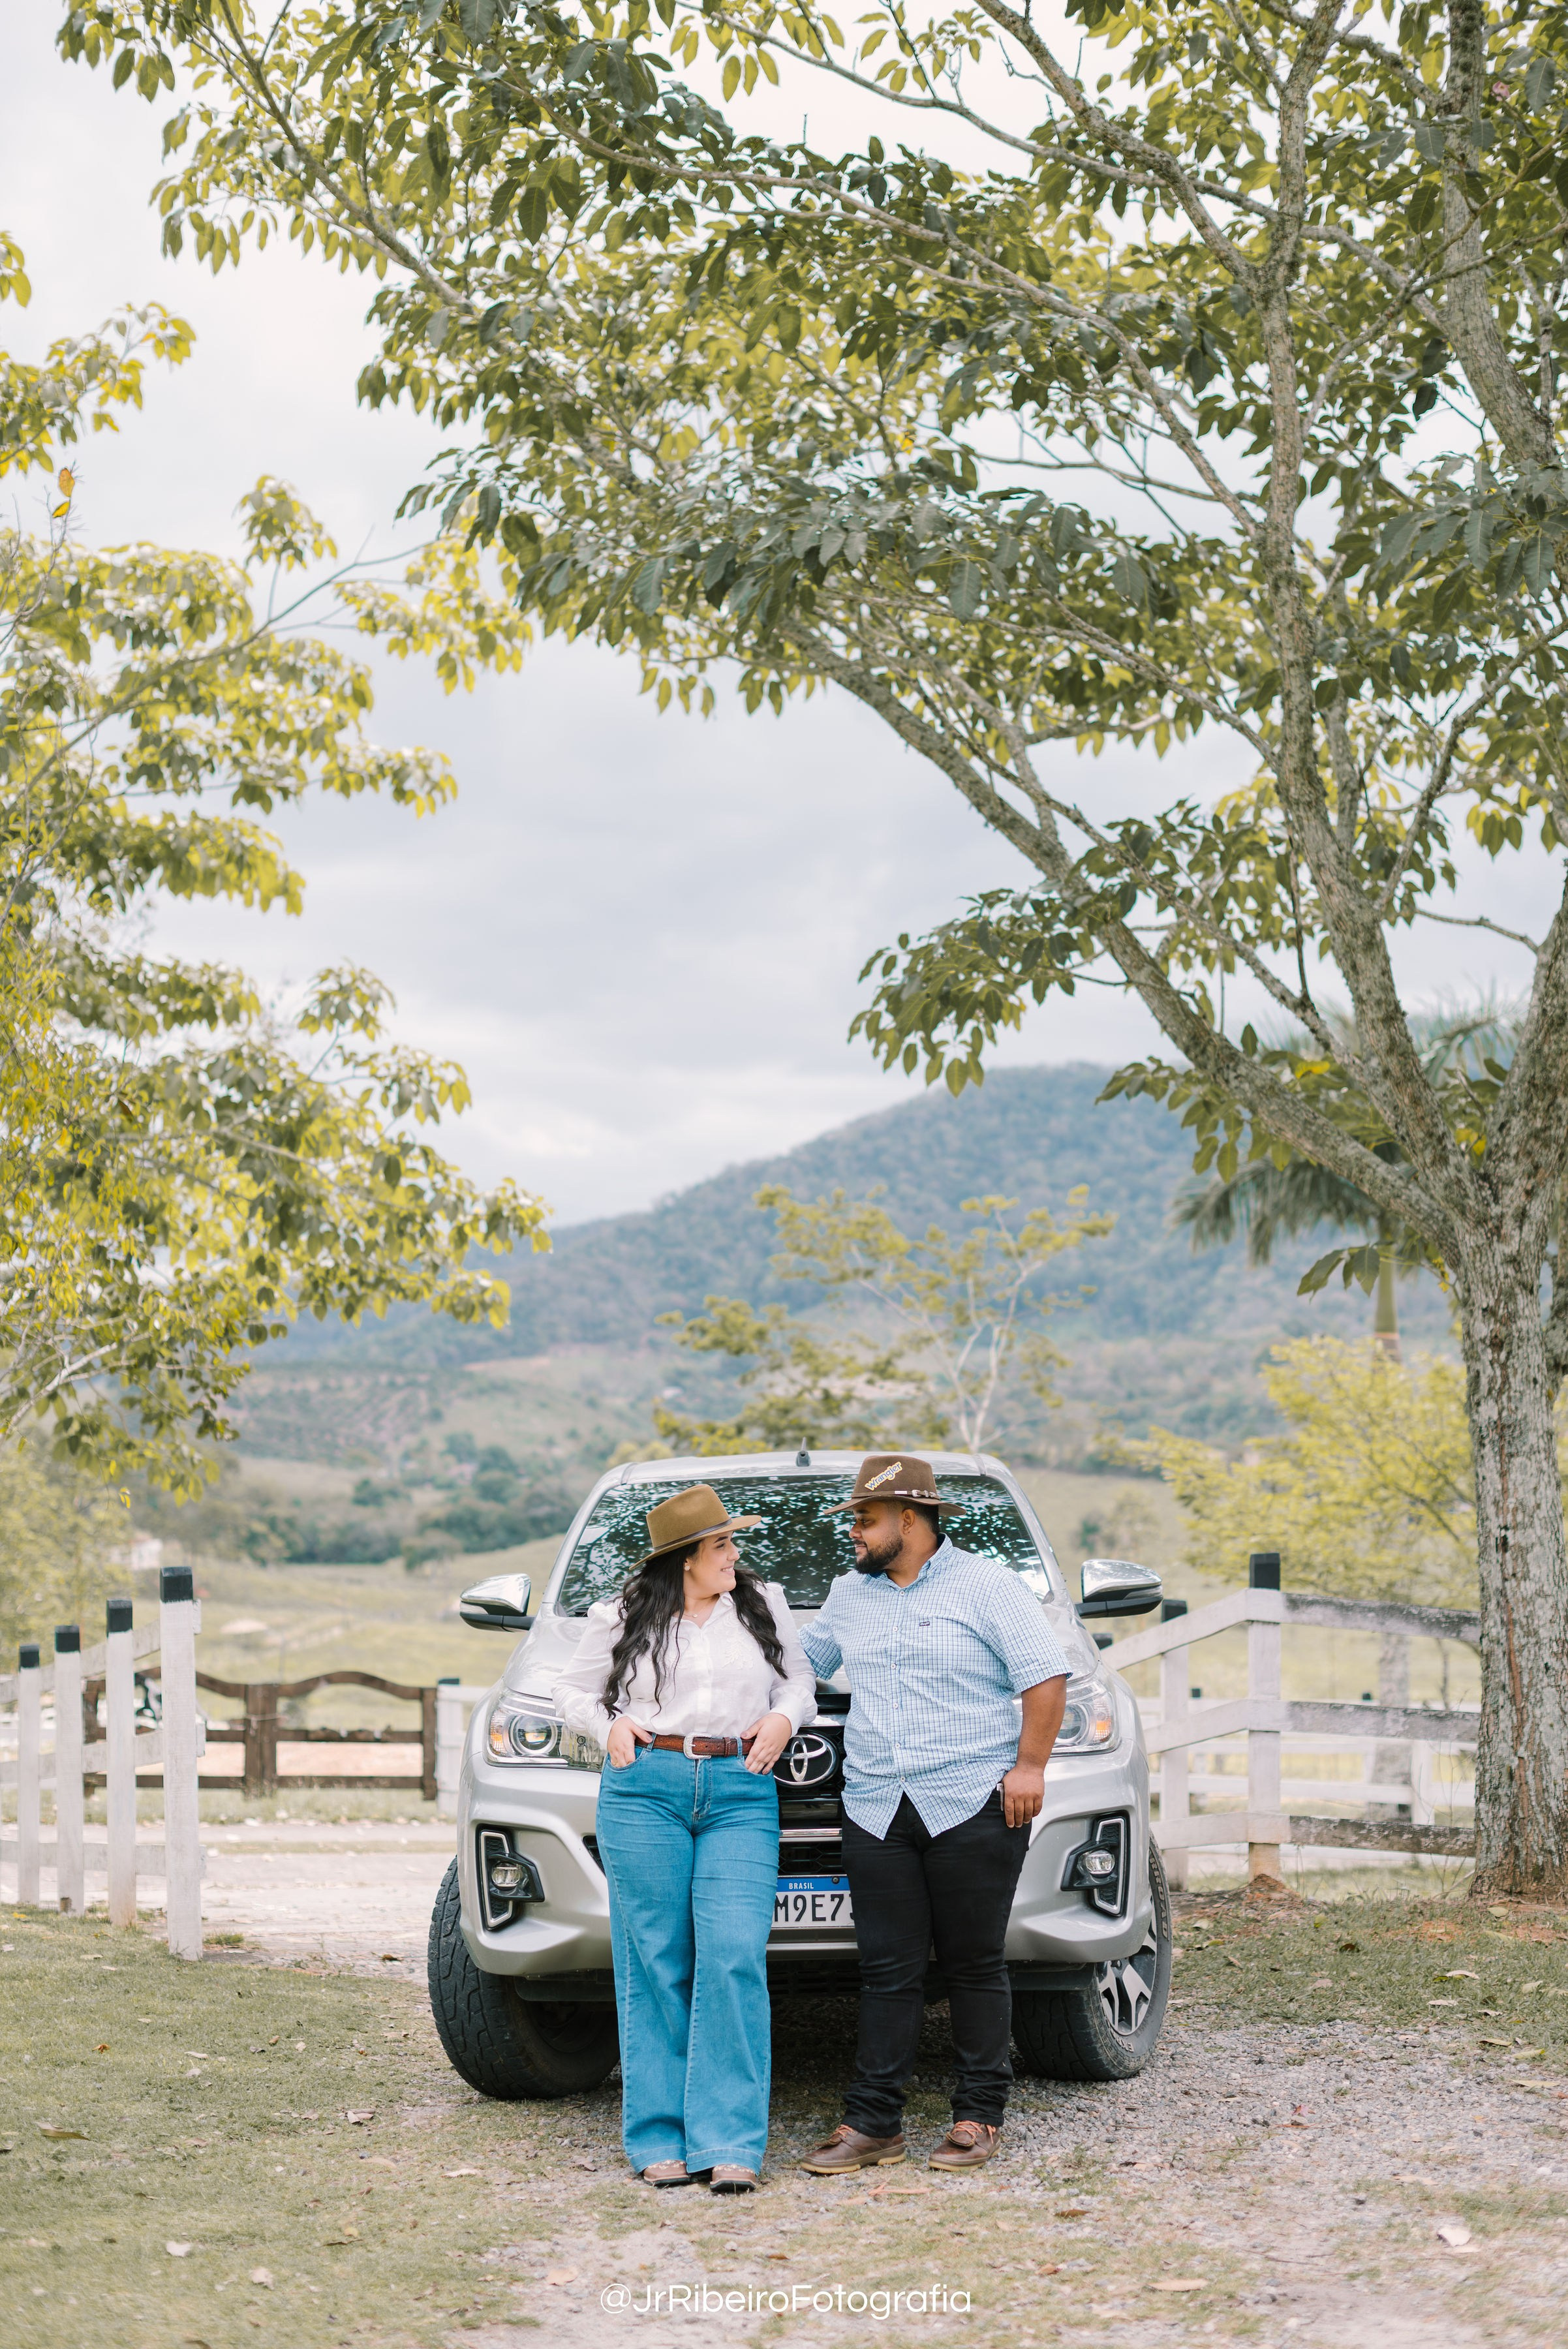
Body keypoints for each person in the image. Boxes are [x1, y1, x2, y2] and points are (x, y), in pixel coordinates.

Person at [796, 1452, 1069, 2174]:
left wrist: (1030, 1767)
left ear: (908, 1519)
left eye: (864, 1519)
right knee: (886, 1971)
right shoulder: (848, 1594)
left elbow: (1044, 1677)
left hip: (973, 1801)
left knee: (975, 1965)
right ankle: (873, 2123)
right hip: (877, 1806)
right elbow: (798, 1664)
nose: (853, 1532)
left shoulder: (988, 1586)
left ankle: (978, 2117)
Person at [553, 1482, 816, 2193]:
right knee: (656, 1959)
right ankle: (658, 2137)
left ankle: (730, 2140)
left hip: (740, 1791)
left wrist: (785, 1720)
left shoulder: (764, 1605)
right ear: (685, 1561)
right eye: (722, 1546)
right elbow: (571, 1692)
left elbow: (800, 1682)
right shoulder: (621, 1615)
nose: (735, 1555)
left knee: (733, 1952)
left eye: (732, 1543)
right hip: (645, 1790)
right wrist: (606, 1726)